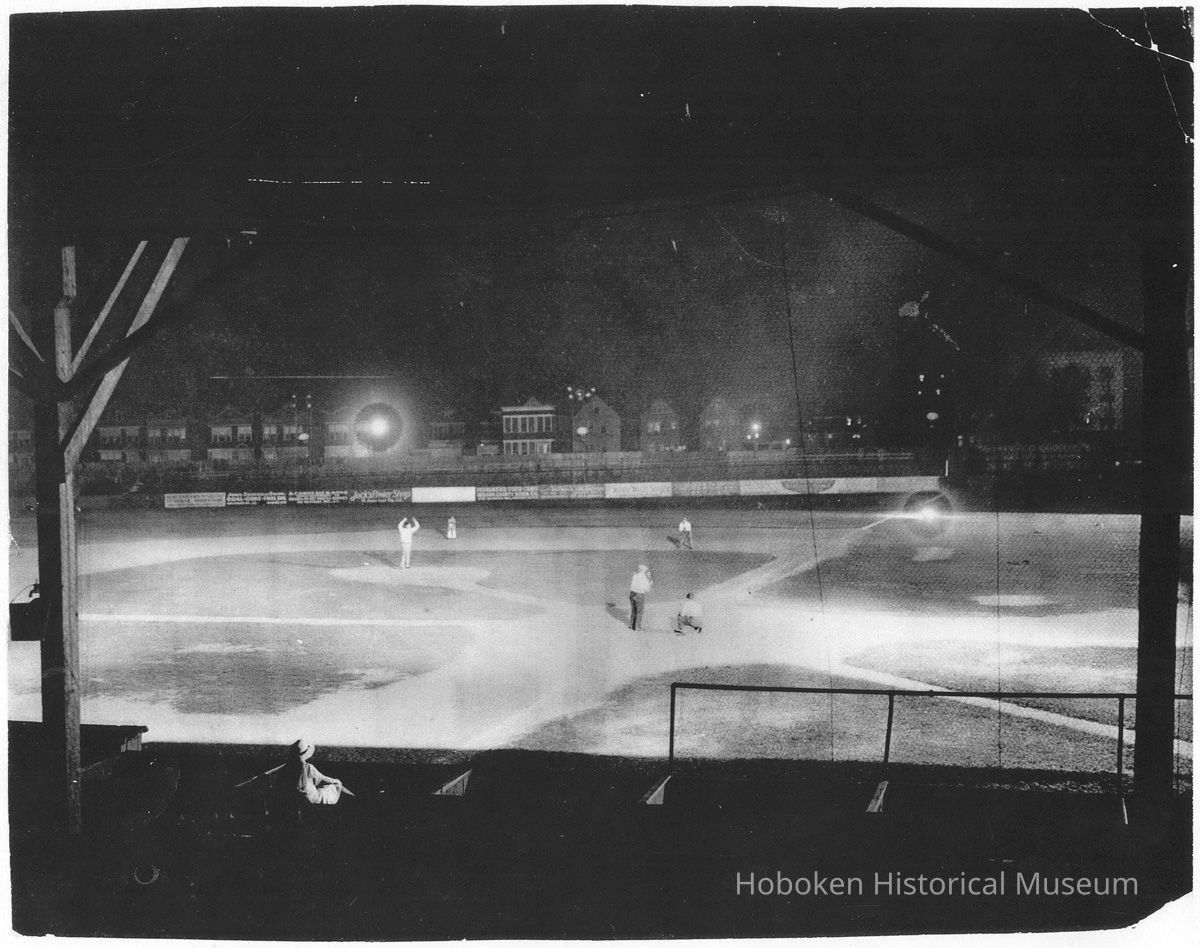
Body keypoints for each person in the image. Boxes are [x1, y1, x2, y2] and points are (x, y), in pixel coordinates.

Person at [286, 739, 345, 805]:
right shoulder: (308, 767)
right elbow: (323, 779)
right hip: (309, 797)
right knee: (333, 790)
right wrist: (336, 782)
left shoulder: (288, 767)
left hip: (295, 795)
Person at [629, 564, 653, 630]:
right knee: (639, 611)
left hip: (632, 593)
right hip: (639, 594)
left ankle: (631, 624)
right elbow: (647, 589)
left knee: (633, 610)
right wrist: (650, 581)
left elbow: (632, 585)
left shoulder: (635, 575)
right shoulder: (644, 578)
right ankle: (637, 626)